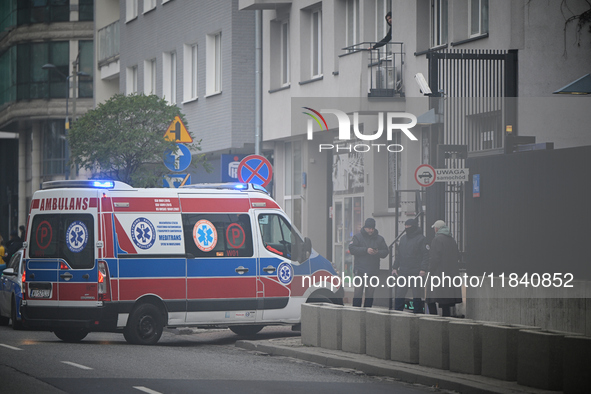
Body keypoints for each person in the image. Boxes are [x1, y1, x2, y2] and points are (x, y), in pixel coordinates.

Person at [349, 218, 389, 308]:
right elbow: (352, 249)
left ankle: (367, 312)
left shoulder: (379, 239)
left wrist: (377, 252)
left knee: (370, 293)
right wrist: (366, 250)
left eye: (372, 229)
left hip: (373, 270)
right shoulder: (357, 237)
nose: (371, 230)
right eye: (369, 228)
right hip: (360, 270)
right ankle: (355, 311)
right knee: (358, 292)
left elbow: (386, 251)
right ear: (365, 227)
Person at [426, 220, 462, 317]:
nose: (434, 230)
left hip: (438, 273)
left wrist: (430, 270)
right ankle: (446, 319)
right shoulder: (451, 239)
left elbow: (434, 258)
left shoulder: (437, 239)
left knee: (430, 298)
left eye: (434, 228)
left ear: (437, 229)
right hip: (450, 273)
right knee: (445, 300)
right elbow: (457, 256)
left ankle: (433, 318)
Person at [392, 218, 429, 313]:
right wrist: (395, 267)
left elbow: (426, 255)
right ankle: (398, 312)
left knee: (416, 294)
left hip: (416, 271)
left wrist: (423, 269)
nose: (407, 229)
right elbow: (399, 254)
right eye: (406, 227)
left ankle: (418, 313)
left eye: (409, 227)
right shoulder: (403, 238)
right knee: (400, 293)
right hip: (404, 270)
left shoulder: (421, 239)